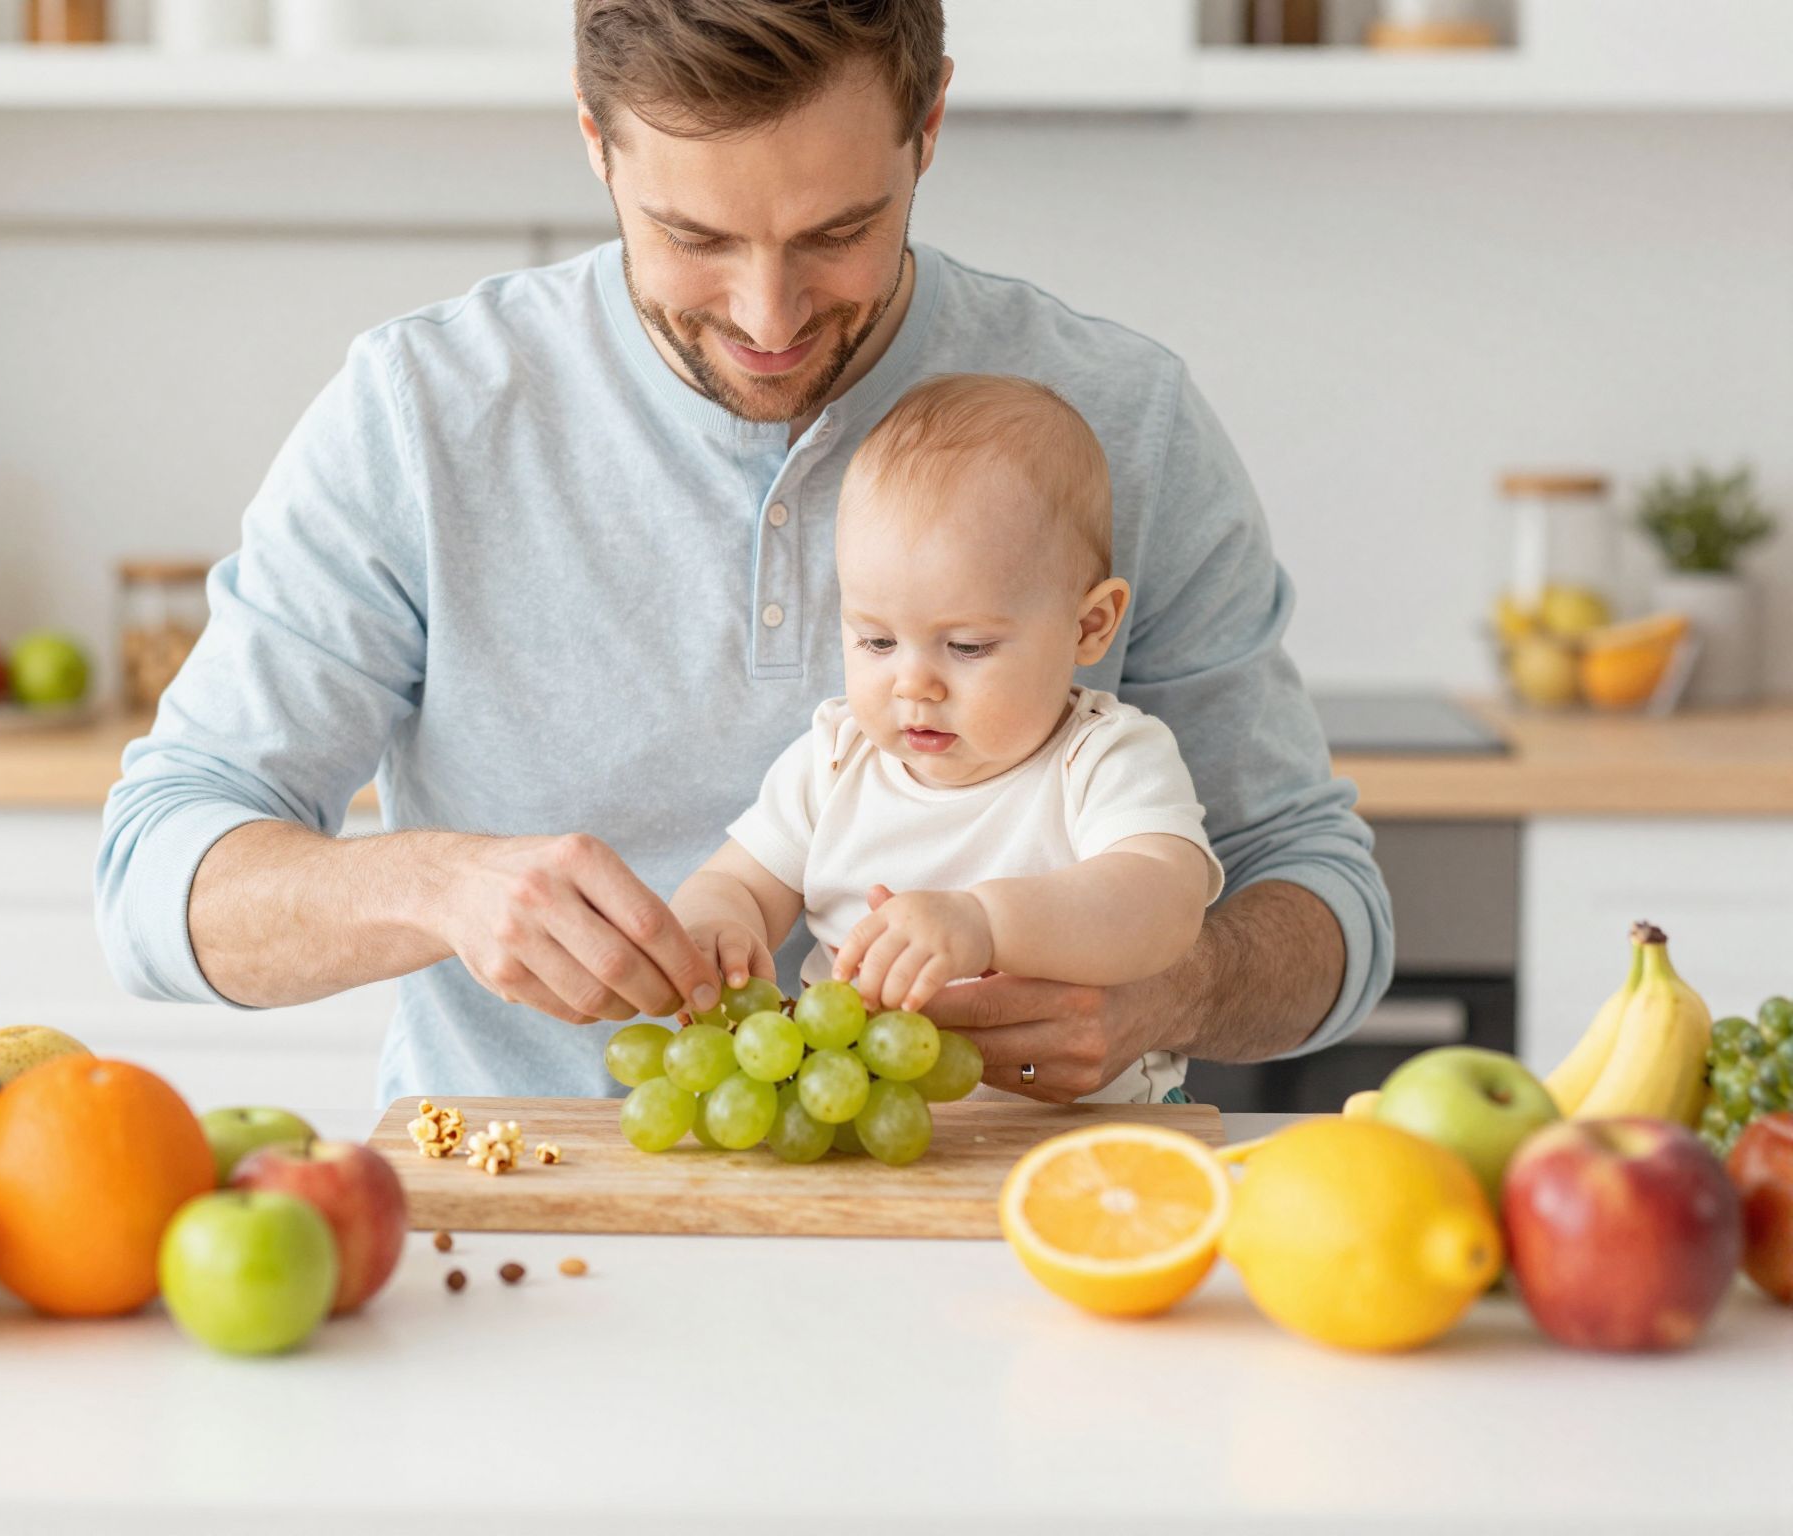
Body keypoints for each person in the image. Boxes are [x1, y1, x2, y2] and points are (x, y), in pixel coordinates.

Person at [95, 0, 1392, 1111]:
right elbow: (154, 879)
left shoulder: (1116, 419)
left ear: (930, 127)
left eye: (837, 232)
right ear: (596, 143)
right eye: (697, 239)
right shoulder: (422, 413)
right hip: (530, 1229)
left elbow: (1326, 903)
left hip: (1015, 1240)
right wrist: (436, 886)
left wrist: (1177, 989)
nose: (767, 319)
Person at [671, 373, 1223, 1104]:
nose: (913, 685)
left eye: (965, 647)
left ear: (1089, 626)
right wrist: (717, 924)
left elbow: (1162, 903)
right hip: (872, 1141)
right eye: (875, 641)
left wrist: (986, 921)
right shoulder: (835, 759)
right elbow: (738, 880)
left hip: (1082, 1148)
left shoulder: (1105, 758)